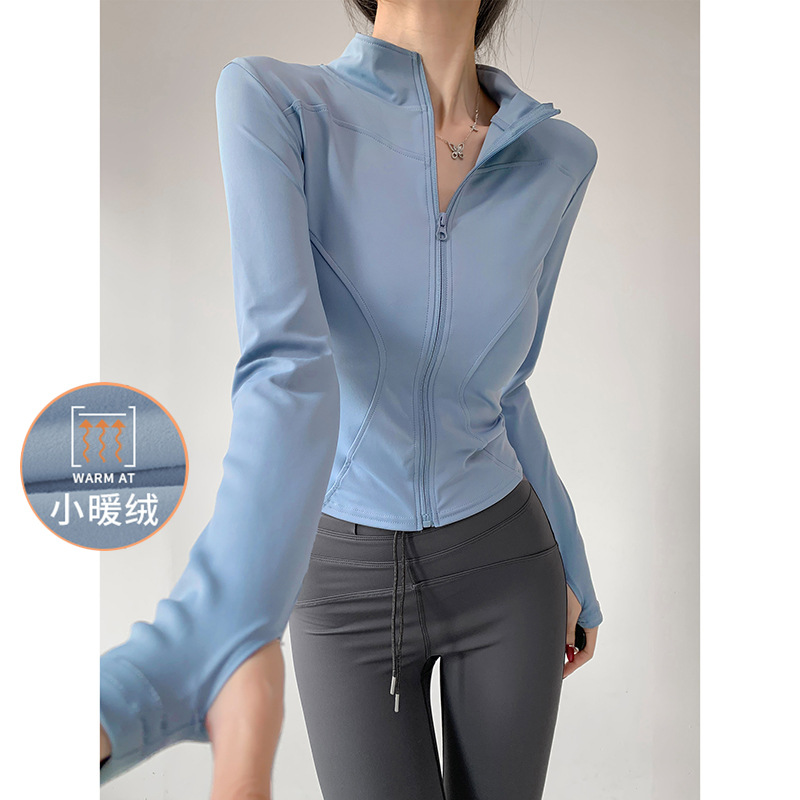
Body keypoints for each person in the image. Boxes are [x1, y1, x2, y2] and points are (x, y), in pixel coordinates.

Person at [99, 1, 604, 797]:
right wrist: (202, 636)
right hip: (343, 583)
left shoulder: (558, 157)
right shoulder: (278, 104)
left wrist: (574, 563)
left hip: (509, 563)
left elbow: (508, 387)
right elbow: (286, 370)